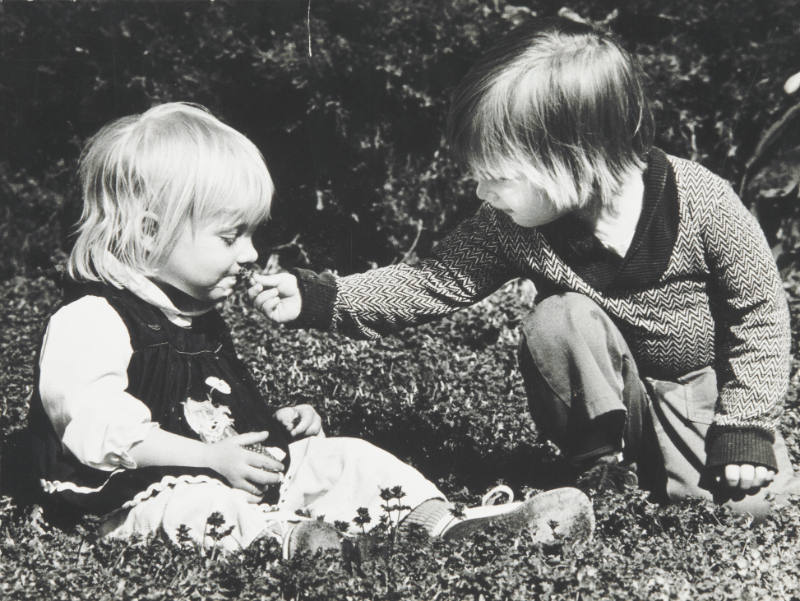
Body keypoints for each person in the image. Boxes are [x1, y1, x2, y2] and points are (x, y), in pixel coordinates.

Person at [249, 17, 800, 517]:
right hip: (609, 400)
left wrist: (745, 423)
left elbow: (760, 317)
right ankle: (597, 463)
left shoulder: (704, 201)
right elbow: (431, 281)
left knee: (755, 507)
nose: (481, 191)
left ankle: (675, 465)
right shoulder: (509, 226)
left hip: (696, 389)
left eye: (498, 176)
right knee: (560, 317)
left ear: (573, 159)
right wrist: (324, 298)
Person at [27, 102, 593, 557]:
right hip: (130, 498)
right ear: (151, 233)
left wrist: (267, 424)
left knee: (344, 455)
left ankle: (444, 528)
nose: (249, 253)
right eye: (230, 237)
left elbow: (205, 410)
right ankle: (298, 550)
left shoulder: (196, 316)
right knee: (193, 509)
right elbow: (97, 430)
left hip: (228, 474)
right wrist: (210, 460)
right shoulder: (91, 319)